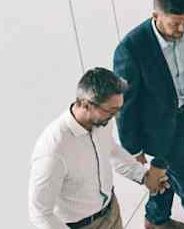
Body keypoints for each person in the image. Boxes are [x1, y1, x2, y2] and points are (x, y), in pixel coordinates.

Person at [114, 0, 184, 229]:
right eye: (175, 24)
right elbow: (124, 105)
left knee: (165, 173)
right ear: (155, 17)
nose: (182, 29)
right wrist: (133, 148)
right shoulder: (130, 50)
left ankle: (155, 219)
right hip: (157, 131)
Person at [29, 68, 170, 229]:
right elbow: (40, 213)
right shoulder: (53, 150)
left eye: (118, 110)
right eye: (110, 111)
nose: (116, 116)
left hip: (111, 211)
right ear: (85, 104)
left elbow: (112, 150)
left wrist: (143, 175)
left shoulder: (101, 121)